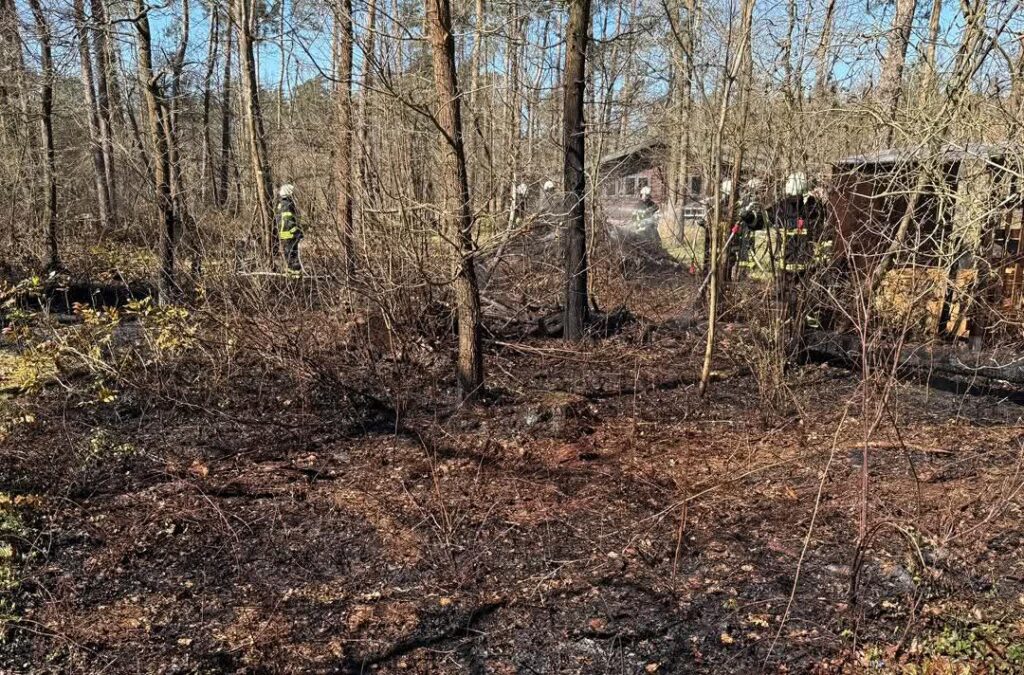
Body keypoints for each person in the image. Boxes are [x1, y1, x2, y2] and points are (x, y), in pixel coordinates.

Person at [275, 184, 303, 276]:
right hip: (290, 233)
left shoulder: (281, 204)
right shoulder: (287, 204)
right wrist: (297, 231)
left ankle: (291, 273)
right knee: (293, 254)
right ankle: (295, 275)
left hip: (285, 234)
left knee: (289, 254)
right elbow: (288, 221)